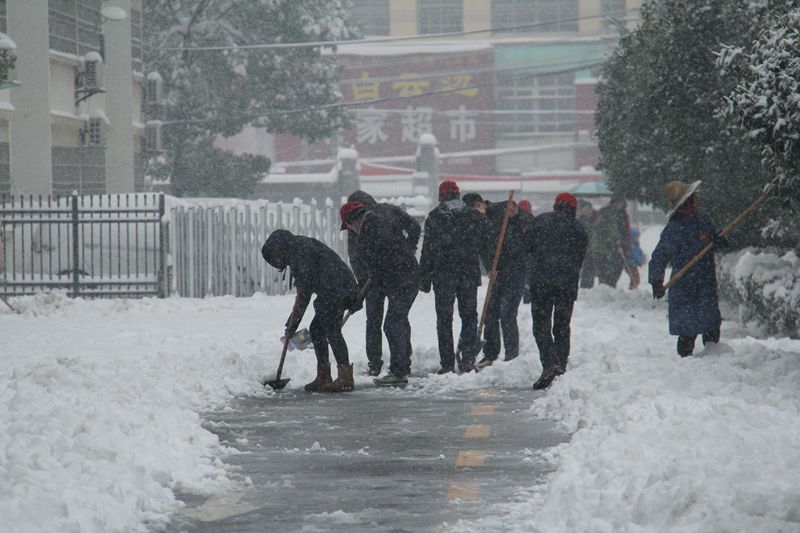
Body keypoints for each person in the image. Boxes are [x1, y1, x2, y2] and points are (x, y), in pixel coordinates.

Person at [261, 229, 360, 392]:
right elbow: (305, 289)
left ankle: (345, 376)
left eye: (276, 259)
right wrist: (293, 321)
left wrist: (293, 322)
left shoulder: (301, 252)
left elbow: (304, 292)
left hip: (336, 289)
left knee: (331, 329)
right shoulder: (298, 247)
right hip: (335, 289)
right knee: (317, 329)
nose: (279, 263)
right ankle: (324, 375)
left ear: (279, 249)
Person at [341, 201, 420, 387]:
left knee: (393, 324)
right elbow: (384, 259)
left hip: (403, 280)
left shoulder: (369, 231)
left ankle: (398, 372)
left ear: (353, 220)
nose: (351, 230)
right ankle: (401, 367)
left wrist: (368, 285)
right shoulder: (380, 221)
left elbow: (382, 261)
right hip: (405, 277)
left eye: (349, 226)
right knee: (395, 323)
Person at [419, 180, 489, 374]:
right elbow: (486, 242)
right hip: (467, 273)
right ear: (458, 195)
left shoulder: (434, 218)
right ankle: (467, 359)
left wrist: (424, 278)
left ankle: (447, 363)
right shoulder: (474, 217)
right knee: (469, 316)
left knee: (444, 319)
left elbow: (428, 251)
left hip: (443, 275)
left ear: (440, 196)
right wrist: (492, 266)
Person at [649, 181, 724, 357]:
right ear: (680, 207)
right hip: (684, 286)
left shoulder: (703, 221)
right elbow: (659, 256)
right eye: (687, 203)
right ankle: (685, 364)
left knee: (711, 326)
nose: (692, 205)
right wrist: (656, 280)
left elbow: (714, 240)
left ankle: (714, 361)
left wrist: (718, 241)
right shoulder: (673, 229)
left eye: (693, 200)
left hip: (705, 283)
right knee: (687, 330)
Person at [527, 193, 588, 390]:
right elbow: (580, 257)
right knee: (562, 326)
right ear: (573, 208)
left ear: (555, 206)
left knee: (541, 325)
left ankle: (549, 363)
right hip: (566, 285)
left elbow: (526, 246)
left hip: (541, 283)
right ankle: (560, 365)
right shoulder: (578, 228)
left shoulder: (540, 221)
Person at [478, 198, 529, 367]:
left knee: (507, 313)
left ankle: (511, 354)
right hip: (498, 274)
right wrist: (490, 267)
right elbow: (485, 247)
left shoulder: (519, 220)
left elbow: (519, 248)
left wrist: (515, 217)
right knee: (491, 312)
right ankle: (490, 353)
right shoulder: (489, 219)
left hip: (515, 274)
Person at [589, 195, 631, 287]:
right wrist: (616, 240)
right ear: (616, 202)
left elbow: (623, 229)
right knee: (607, 269)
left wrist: (623, 242)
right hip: (607, 247)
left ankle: (609, 287)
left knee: (614, 269)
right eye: (621, 203)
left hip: (614, 245)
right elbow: (610, 229)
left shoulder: (621, 213)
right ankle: (607, 287)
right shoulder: (607, 213)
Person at [576, 199, 597, 288]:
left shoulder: (595, 219)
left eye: (589, 209)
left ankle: (588, 286)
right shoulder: (581, 220)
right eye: (585, 209)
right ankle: (586, 286)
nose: (587, 211)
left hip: (592, 247)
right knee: (587, 269)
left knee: (590, 268)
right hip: (585, 249)